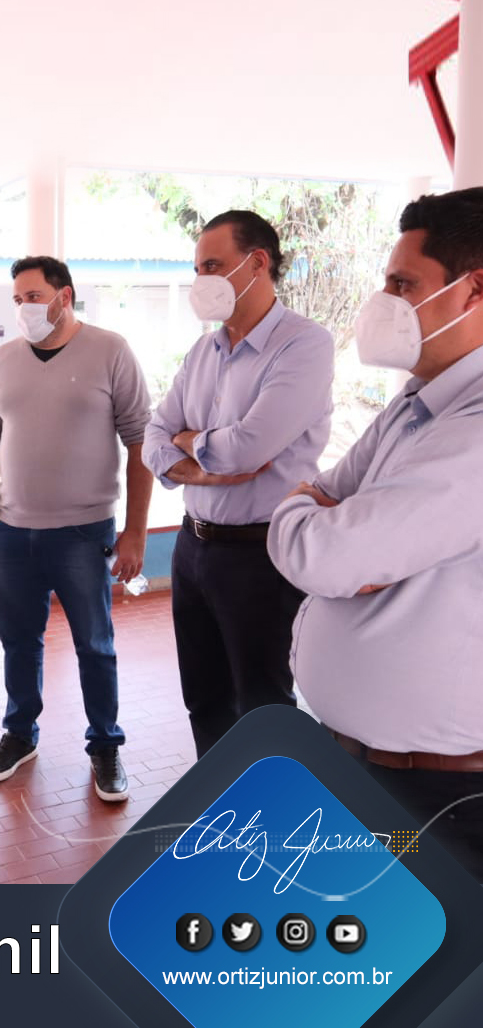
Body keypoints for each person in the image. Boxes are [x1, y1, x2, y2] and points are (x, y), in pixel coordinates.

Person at [269, 187, 483, 880]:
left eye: (403, 284)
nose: (382, 301)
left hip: (439, 794)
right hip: (371, 770)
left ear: (474, 291)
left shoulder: (475, 431)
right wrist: (321, 509)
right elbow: (328, 500)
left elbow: (324, 553)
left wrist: (312, 511)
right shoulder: (416, 403)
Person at [142, 211, 334, 759]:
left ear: (257, 263)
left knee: (263, 704)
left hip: (260, 555)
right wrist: (202, 462)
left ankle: (270, 810)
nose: (201, 280)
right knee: (204, 698)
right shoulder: (203, 352)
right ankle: (221, 797)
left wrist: (186, 441)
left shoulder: (303, 345)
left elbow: (248, 448)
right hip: (192, 547)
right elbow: (153, 436)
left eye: (212, 265)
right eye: (197, 268)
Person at [0, 255, 153, 801]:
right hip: (10, 535)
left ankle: (105, 745)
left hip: (83, 533)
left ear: (64, 296)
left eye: (33, 296)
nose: (24, 307)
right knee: (18, 642)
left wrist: (136, 533)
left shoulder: (110, 350)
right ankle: (19, 734)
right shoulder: (2, 360)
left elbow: (141, 443)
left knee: (95, 645)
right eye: (18, 299)